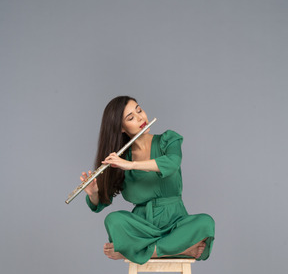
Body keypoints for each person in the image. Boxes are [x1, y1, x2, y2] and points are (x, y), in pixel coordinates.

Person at [81, 96, 215, 265]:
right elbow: (101, 202)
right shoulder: (121, 159)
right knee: (113, 220)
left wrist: (131, 165)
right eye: (130, 118)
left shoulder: (168, 140)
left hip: (176, 223)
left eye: (139, 110)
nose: (140, 118)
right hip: (142, 227)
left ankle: (135, 251)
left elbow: (172, 163)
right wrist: (93, 193)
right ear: (121, 128)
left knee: (205, 222)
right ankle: (181, 250)